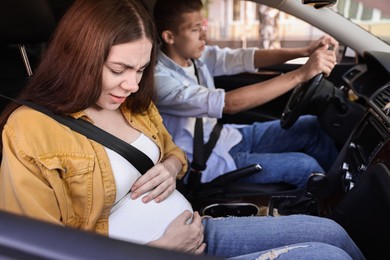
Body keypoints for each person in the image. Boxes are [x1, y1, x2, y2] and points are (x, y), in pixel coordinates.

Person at [0, 0, 365, 259]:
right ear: (79, 57)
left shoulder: (134, 105)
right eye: (119, 69)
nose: (132, 83)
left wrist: (171, 168)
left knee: (332, 233)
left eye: (141, 69)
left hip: (198, 230)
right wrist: (160, 249)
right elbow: (36, 249)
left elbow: (174, 152)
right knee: (323, 255)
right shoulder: (30, 130)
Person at [153, 0, 340, 188]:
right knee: (305, 167)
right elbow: (229, 104)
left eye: (203, 26)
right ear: (169, 37)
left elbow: (244, 57)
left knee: (311, 127)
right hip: (206, 161)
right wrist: (300, 74)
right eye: (195, 29)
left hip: (225, 137)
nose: (204, 34)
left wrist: (305, 51)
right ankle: (332, 208)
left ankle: (340, 189)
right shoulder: (159, 80)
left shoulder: (195, 58)